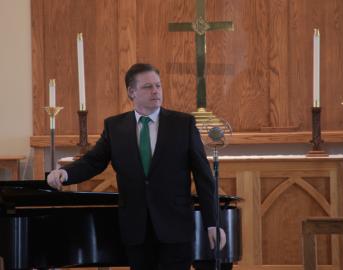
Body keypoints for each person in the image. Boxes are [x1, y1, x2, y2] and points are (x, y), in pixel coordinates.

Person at [47, 63, 226, 270]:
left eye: (158, 86)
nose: (156, 91)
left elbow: (204, 176)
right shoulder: (115, 127)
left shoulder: (182, 124)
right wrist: (65, 173)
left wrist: (214, 222)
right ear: (131, 92)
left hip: (175, 227)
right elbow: (93, 162)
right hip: (136, 228)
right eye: (148, 87)